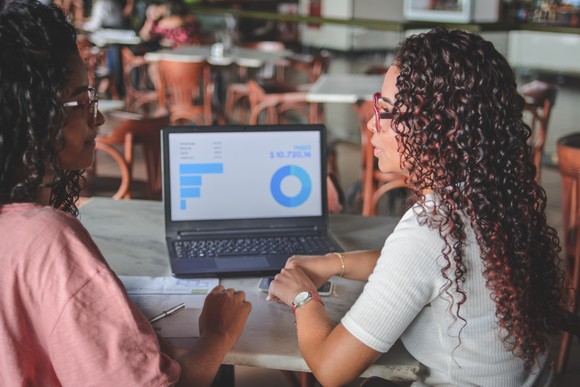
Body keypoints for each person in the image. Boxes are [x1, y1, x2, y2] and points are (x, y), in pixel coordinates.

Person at [268, 27, 565, 386]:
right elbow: (425, 268)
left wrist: (302, 295)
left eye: (387, 111)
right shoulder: (494, 199)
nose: (370, 122)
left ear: (436, 128)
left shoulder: (431, 231)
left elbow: (331, 369)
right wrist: (334, 263)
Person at [0, 2, 251, 386]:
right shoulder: (45, 239)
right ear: (29, 112)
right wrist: (219, 335)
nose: (97, 117)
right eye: (80, 101)